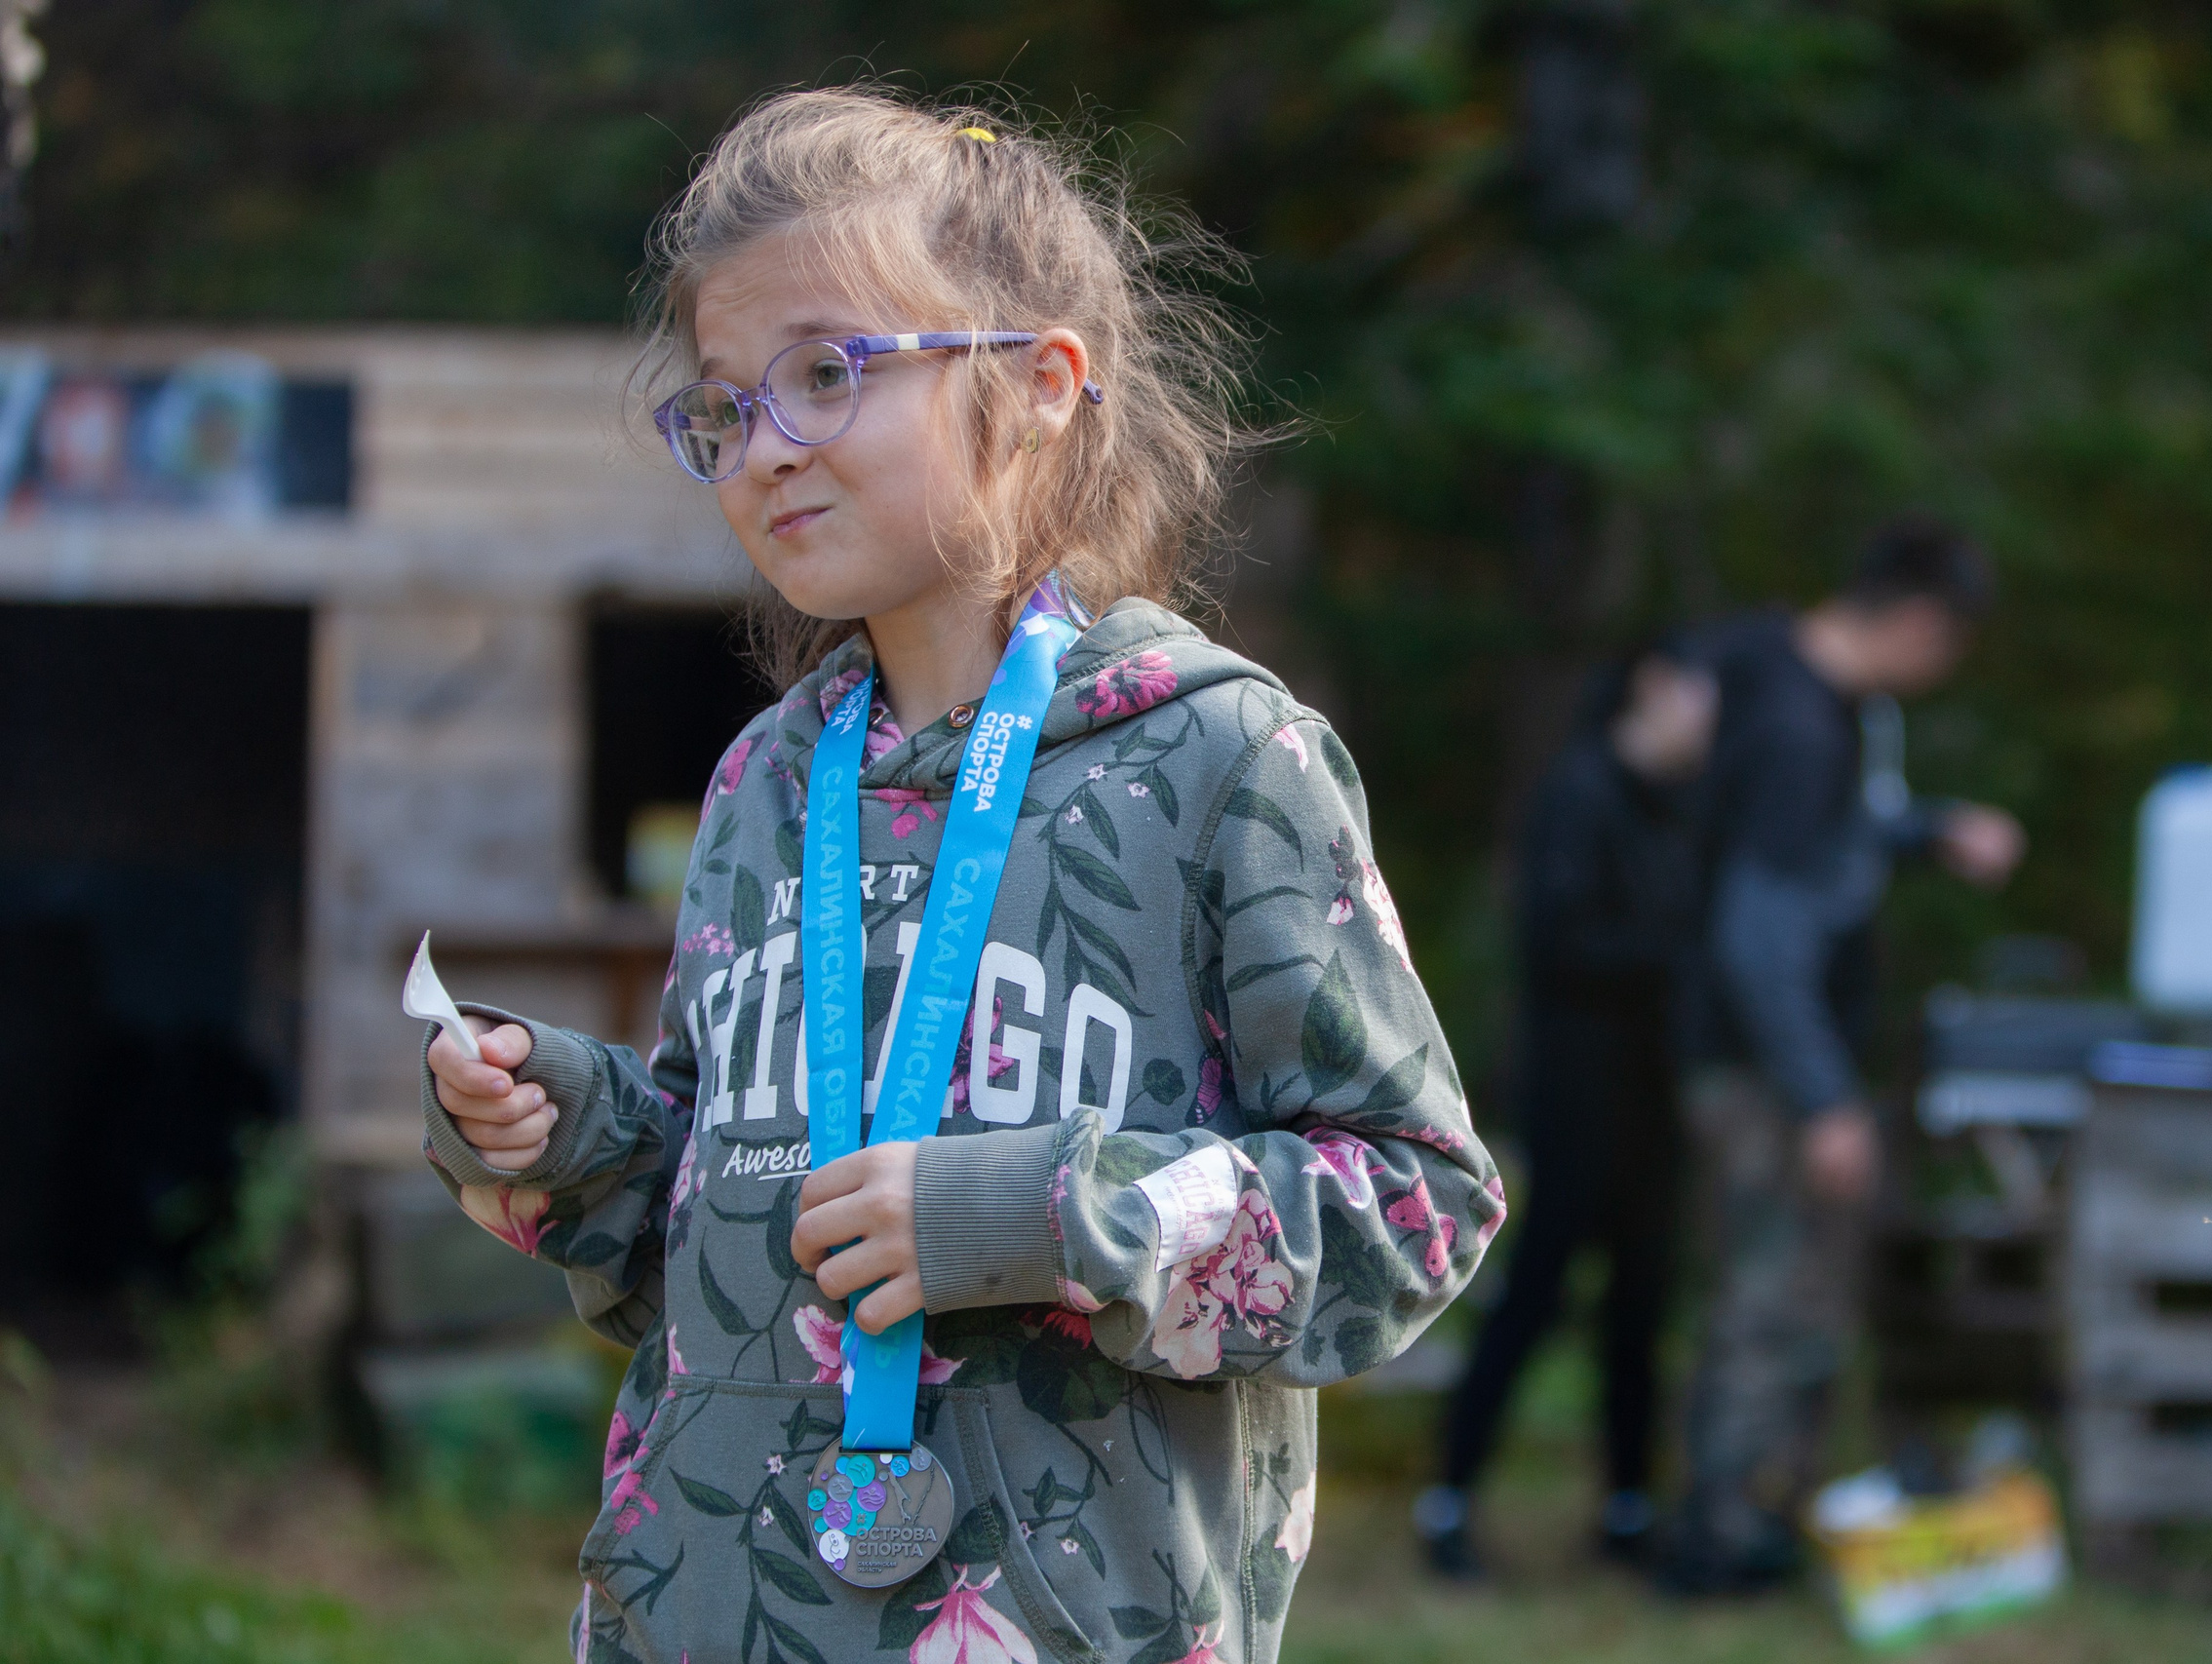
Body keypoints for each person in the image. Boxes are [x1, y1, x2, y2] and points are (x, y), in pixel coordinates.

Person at [415, 88, 1500, 1664]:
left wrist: (1052, 1210)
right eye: (724, 408)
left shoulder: (1223, 763)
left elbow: (1414, 1207)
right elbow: (713, 1232)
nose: (761, 450)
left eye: (826, 375)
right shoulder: (766, 785)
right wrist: (565, 1128)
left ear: (1043, 384)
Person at [1655, 515, 2024, 1595]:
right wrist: (1824, 1100)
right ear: (1916, 623)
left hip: (1768, 1060)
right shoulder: (1798, 734)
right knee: (1771, 1302)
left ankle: (1751, 1522)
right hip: (1764, 1066)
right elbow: (1757, 938)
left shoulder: (1779, 667)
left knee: (1784, 1296)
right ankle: (1717, 1545)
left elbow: (1822, 848)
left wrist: (1927, 831)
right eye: (1946, 645)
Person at [1416, 649, 1717, 1579]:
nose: (1714, 715)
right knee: (1536, 1290)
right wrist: (1681, 954)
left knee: (1641, 1299)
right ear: (1658, 685)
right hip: (1578, 1094)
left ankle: (1629, 1508)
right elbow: (1557, 937)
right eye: (1704, 692)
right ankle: (1450, 1500)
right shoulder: (1580, 794)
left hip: (1652, 1094)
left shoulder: (1671, 808)